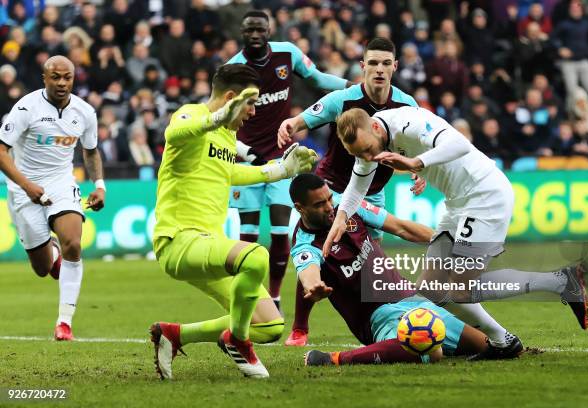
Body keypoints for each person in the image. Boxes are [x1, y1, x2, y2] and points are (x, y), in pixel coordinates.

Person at [325, 106, 588, 360]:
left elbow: (460, 144)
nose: (369, 158)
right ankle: (503, 341)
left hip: (484, 195)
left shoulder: (408, 124)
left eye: (369, 150)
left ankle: (560, 282)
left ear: (374, 126)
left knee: (460, 289)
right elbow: (356, 186)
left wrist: (415, 162)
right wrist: (340, 219)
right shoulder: (368, 140)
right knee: (431, 289)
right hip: (458, 204)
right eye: (361, 155)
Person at [148, 64, 317, 380]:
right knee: (256, 256)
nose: (253, 112)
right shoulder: (190, 114)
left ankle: (175, 334)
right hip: (179, 241)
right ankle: (237, 340)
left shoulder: (226, 138)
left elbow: (227, 173)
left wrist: (279, 170)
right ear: (229, 98)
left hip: (207, 244)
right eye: (250, 103)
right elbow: (174, 134)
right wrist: (214, 119)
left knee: (269, 325)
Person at [277, 37, 422, 346]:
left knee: (371, 259)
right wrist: (288, 125)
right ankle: (300, 327)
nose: (379, 70)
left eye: (386, 63)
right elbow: (302, 120)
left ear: (395, 67)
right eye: (373, 63)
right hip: (333, 188)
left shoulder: (408, 105)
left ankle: (381, 318)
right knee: (319, 250)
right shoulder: (342, 100)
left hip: (374, 189)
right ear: (362, 67)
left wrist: (419, 172)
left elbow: (420, 146)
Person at [288, 173, 489, 365]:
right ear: (300, 208)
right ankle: (333, 358)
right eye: (319, 204)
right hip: (378, 316)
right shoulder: (305, 245)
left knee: (486, 344)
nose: (329, 207)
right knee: (431, 352)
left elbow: (401, 227)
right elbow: (308, 273)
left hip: (410, 297)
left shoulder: (348, 206)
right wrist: (314, 286)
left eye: (329, 199)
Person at [226, 10, 350, 312]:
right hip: (247, 162)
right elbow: (221, 121)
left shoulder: (288, 53)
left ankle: (276, 296)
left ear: (270, 30)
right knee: (249, 235)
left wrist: (353, 86)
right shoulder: (233, 70)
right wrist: (243, 151)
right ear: (242, 34)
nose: (255, 35)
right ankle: (252, 297)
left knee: (281, 230)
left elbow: (318, 78)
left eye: (260, 29)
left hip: (282, 160)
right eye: (249, 30)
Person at [0, 55, 105, 341]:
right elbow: (1, 152)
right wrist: (26, 185)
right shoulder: (25, 108)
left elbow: (91, 150)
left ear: (74, 78)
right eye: (55, 77)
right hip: (23, 189)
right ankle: (52, 253)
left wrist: (99, 184)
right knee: (43, 268)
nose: (61, 83)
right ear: (44, 79)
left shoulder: (84, 112)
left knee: (74, 242)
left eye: (67, 77)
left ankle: (64, 322)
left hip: (61, 183)